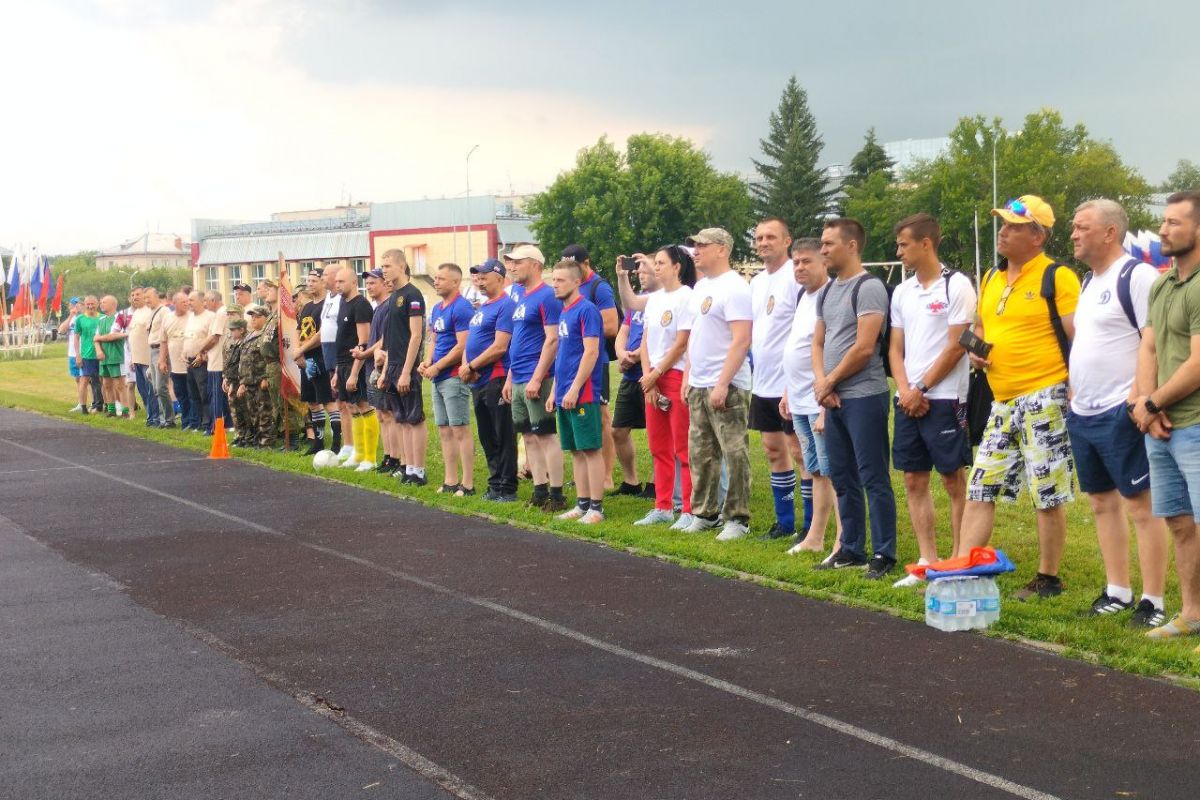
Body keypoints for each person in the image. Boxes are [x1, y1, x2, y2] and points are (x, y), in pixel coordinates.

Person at [959, 195, 1080, 600]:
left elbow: (1077, 338)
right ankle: (963, 568)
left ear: (1037, 235)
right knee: (980, 485)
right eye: (1003, 224)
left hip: (1044, 394)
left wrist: (1075, 387)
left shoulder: (1057, 276)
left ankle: (1048, 577)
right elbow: (981, 325)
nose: (1003, 231)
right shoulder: (992, 277)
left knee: (1046, 492)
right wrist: (977, 350)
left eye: (1013, 226)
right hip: (1002, 398)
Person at [1068, 199, 1168, 625]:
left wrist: (1139, 397)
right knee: (1101, 503)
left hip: (1119, 410)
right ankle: (1117, 590)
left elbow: (1155, 340)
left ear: (1109, 232)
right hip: (1083, 410)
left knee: (1140, 506)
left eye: (1081, 227)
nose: (1073, 234)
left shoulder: (1138, 276)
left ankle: (1154, 600)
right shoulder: (1089, 281)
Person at [887, 214, 976, 587]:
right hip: (908, 396)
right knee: (912, 478)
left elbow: (957, 346)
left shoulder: (956, 286)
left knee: (953, 480)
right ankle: (928, 558)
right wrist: (907, 390)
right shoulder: (903, 291)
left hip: (943, 397)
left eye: (904, 244)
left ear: (926, 243)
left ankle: (957, 560)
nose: (899, 252)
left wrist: (921, 388)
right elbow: (894, 348)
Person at [812, 217, 898, 579]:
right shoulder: (827, 291)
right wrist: (823, 384)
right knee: (842, 475)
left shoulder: (870, 287)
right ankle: (851, 548)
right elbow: (817, 342)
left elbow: (865, 348)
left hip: (864, 396)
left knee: (873, 475)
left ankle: (883, 552)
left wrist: (829, 381)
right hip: (834, 399)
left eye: (829, 243)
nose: (822, 250)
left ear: (851, 246)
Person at [1132, 189, 1200, 644]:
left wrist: (1154, 403)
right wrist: (1143, 404)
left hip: (1193, 424)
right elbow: (1150, 347)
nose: (1162, 229)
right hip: (1161, 425)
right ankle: (1192, 614)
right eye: (1163, 221)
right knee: (1178, 521)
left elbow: (1198, 362)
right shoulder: (1162, 283)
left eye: (1174, 222)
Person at [680, 228, 753, 541]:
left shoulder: (734, 287)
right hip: (699, 381)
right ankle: (706, 513)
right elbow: (696, 336)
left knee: (734, 451)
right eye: (694, 245)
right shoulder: (701, 286)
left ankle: (737, 517)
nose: (696, 250)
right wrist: (688, 375)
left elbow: (741, 339)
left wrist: (723, 383)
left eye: (702, 245)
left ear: (722, 249)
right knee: (701, 452)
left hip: (727, 383)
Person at [780, 238, 842, 555]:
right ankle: (814, 538)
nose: (800, 267)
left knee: (835, 471)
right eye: (796, 262)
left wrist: (825, 409)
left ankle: (843, 541)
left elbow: (833, 353)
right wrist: (789, 391)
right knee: (816, 471)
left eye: (807, 261)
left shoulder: (831, 297)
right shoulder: (804, 297)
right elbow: (800, 346)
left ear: (824, 263)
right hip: (801, 399)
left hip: (822, 402)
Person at [633, 245, 697, 528]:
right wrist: (648, 377)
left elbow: (682, 342)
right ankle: (662, 505)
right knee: (658, 446)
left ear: (677, 266)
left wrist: (657, 372)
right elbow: (646, 341)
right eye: (654, 263)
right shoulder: (654, 299)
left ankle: (689, 509)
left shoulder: (687, 297)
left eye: (660, 263)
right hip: (653, 379)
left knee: (682, 446)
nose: (654, 267)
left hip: (674, 374)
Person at [749, 218, 804, 539]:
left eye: (771, 236)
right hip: (763, 382)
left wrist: (792, 383)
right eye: (759, 237)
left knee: (799, 452)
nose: (763, 242)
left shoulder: (795, 278)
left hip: (790, 383)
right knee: (773, 450)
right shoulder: (755, 283)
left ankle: (810, 522)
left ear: (787, 240)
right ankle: (784, 522)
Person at [502, 245, 567, 510]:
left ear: (535, 265)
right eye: (510, 263)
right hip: (518, 377)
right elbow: (518, 339)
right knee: (528, 437)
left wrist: (538, 378)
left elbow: (552, 340)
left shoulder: (546, 297)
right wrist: (509, 377)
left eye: (518, 262)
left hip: (535, 376)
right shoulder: (523, 297)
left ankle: (557, 494)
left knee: (545, 435)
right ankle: (539, 490)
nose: (512, 267)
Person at [546, 260, 607, 523]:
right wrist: (554, 392)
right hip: (564, 392)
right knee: (575, 450)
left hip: (583, 393)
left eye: (560, 280)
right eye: (553, 280)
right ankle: (581, 504)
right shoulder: (564, 311)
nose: (555, 285)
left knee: (590, 448)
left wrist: (574, 389)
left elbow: (591, 352)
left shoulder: (587, 310)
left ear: (576, 282)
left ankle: (596, 508)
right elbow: (562, 354)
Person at [561, 244, 620, 490]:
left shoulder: (599, 287)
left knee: (602, 417)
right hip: (571, 363)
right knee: (577, 422)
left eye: (574, 266)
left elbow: (611, 326)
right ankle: (584, 476)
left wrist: (584, 331)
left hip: (596, 362)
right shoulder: (569, 290)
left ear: (586, 264)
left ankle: (605, 475)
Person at [460, 259, 518, 502]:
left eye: (485, 277)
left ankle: (507, 487)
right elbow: (471, 340)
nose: (480, 282)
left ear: (500, 278)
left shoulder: (506, 305)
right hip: (476, 380)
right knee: (486, 436)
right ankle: (494, 484)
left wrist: (472, 365)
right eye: (478, 278)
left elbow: (500, 347)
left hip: (495, 377)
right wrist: (465, 365)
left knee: (503, 434)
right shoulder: (482, 307)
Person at [421, 263, 477, 493]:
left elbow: (462, 345)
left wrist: (439, 366)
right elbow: (433, 339)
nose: (436, 281)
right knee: (444, 430)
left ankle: (468, 483)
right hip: (438, 378)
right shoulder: (437, 308)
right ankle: (450, 480)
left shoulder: (462, 308)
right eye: (435, 278)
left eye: (441, 278)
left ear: (455, 282)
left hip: (453, 377)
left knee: (460, 429)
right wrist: (427, 362)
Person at [378, 249, 428, 485]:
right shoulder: (393, 296)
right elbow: (389, 340)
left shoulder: (412, 294)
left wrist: (407, 371)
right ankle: (408, 467)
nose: (384, 270)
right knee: (401, 419)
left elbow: (416, 336)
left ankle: (419, 470)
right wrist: (386, 370)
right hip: (394, 365)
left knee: (414, 418)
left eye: (387, 266)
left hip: (407, 366)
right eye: (383, 266)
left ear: (401, 266)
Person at [611, 258, 653, 497]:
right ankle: (631, 481)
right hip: (630, 376)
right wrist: (620, 354)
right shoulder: (636, 302)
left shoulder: (661, 300)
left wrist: (635, 357)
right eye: (638, 272)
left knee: (657, 433)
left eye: (645, 271)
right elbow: (624, 330)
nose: (641, 275)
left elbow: (657, 337)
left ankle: (656, 483)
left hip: (650, 374)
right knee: (618, 430)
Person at [330, 267, 376, 471]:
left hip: (356, 363)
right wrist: (338, 372)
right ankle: (357, 453)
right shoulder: (343, 303)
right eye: (336, 281)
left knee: (364, 406)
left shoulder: (361, 305)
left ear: (353, 282)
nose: (337, 284)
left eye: (341, 281)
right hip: (342, 364)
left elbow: (363, 342)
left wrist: (355, 372)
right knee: (351, 407)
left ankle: (370, 457)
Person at [354, 269, 399, 472]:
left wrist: (366, 354)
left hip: (383, 366)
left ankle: (395, 458)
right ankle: (388, 456)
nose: (369, 287)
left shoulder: (389, 306)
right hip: (373, 366)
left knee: (389, 414)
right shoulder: (378, 307)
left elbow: (384, 339)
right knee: (381, 414)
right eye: (368, 283)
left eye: (373, 283)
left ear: (384, 283)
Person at [296, 269, 338, 454]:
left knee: (327, 400)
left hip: (321, 357)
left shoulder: (326, 305)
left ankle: (336, 444)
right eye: (309, 280)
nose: (310, 283)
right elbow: (299, 330)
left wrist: (302, 349)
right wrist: (299, 353)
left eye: (314, 280)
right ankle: (318, 443)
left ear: (323, 282)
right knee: (312, 401)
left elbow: (323, 333)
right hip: (305, 359)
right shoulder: (306, 307)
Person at [237, 305, 274, 447]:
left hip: (260, 380)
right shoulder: (249, 335)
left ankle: (266, 442)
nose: (253, 319)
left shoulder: (265, 336)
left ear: (265, 318)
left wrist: (265, 377)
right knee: (253, 413)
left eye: (257, 316)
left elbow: (267, 358)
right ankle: (257, 440)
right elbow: (243, 361)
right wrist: (242, 382)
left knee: (264, 412)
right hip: (248, 381)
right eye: (252, 316)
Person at [195, 291, 231, 434]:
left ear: (213, 300)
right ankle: (224, 424)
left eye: (205, 301)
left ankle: (216, 427)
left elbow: (214, 338)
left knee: (216, 396)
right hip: (216, 361)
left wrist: (201, 349)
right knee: (218, 396)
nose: (204, 304)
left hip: (217, 362)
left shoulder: (221, 313)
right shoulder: (221, 313)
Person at [159, 292, 194, 430]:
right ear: (174, 304)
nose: (186, 304)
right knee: (181, 394)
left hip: (191, 364)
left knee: (192, 394)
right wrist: (162, 360)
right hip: (175, 365)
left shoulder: (192, 317)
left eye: (187, 301)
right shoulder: (168, 318)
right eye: (183, 302)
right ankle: (186, 421)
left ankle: (195, 421)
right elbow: (163, 341)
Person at [127, 288, 161, 426]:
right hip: (137, 358)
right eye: (133, 295)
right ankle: (150, 415)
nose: (135, 297)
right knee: (142, 390)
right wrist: (132, 358)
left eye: (138, 295)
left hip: (148, 359)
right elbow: (133, 336)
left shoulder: (149, 313)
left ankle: (155, 418)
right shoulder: (136, 313)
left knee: (151, 390)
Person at [183, 291, 214, 432]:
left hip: (202, 361)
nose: (189, 303)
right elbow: (188, 337)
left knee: (204, 393)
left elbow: (213, 339)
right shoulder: (190, 317)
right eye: (188, 300)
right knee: (193, 394)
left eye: (192, 300)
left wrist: (202, 355)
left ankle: (208, 423)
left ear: (202, 301)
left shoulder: (209, 317)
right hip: (189, 361)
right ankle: (199, 422)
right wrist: (184, 352)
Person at [145, 288, 175, 428]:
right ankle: (163, 418)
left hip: (160, 350)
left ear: (157, 296)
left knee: (161, 387)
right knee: (156, 387)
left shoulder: (164, 312)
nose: (147, 300)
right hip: (152, 350)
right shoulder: (151, 312)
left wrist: (163, 357)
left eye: (149, 297)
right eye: (145, 298)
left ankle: (169, 419)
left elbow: (166, 335)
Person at [93, 295, 126, 417]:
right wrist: (98, 351)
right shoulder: (101, 320)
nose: (101, 304)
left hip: (116, 355)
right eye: (101, 302)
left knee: (119, 384)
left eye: (104, 302)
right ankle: (111, 409)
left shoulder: (120, 317)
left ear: (113, 304)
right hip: (104, 357)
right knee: (106, 384)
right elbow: (95, 339)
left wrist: (102, 338)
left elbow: (113, 336)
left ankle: (125, 410)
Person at [73, 295, 103, 413]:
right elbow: (76, 338)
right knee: (84, 380)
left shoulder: (103, 318)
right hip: (87, 355)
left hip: (101, 354)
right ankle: (83, 407)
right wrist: (78, 354)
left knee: (101, 380)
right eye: (88, 304)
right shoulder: (80, 319)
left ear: (97, 304)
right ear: (85, 305)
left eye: (93, 304)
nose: (90, 306)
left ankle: (100, 404)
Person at [222, 318, 249, 445]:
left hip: (241, 381)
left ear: (242, 330)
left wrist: (238, 383)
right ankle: (239, 435)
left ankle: (246, 436)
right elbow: (230, 363)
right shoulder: (235, 343)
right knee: (235, 411)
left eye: (233, 330)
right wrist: (226, 378)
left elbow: (242, 365)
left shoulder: (245, 343)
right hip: (233, 380)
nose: (231, 332)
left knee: (243, 411)